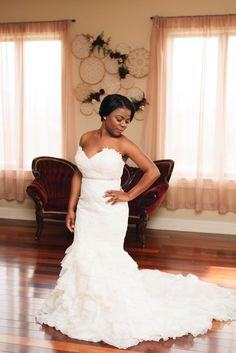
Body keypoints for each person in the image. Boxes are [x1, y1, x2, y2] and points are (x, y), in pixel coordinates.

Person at [36, 94, 235, 349]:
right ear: (105, 115)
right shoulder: (85, 138)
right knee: (84, 256)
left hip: (110, 211)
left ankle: (111, 305)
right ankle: (82, 305)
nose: (123, 124)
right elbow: (79, 173)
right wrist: (71, 207)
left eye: (127, 121)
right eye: (119, 118)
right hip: (86, 210)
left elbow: (152, 171)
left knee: (107, 258)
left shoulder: (125, 145)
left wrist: (128, 195)